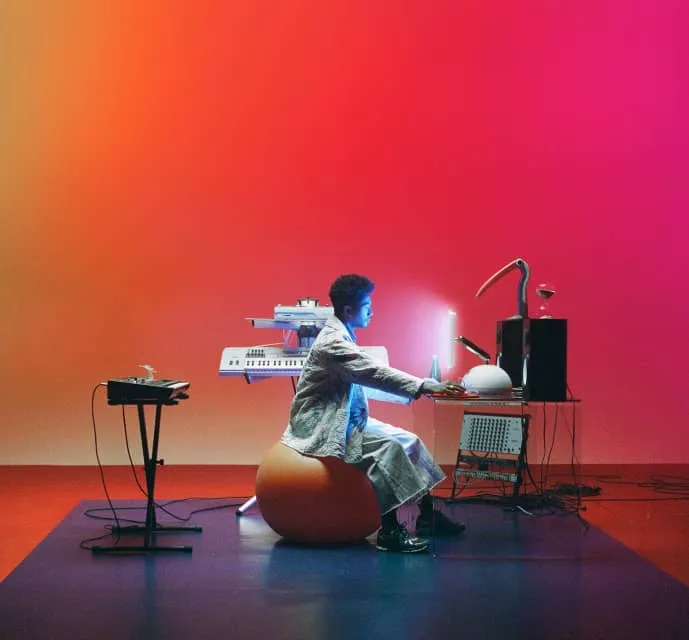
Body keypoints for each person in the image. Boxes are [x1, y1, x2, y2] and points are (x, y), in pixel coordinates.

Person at [281, 274, 471, 553]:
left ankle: (427, 517)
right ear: (349, 310)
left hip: (342, 417)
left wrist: (422, 389)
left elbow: (367, 379)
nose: (372, 311)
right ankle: (389, 531)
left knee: (409, 440)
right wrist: (423, 385)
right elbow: (374, 372)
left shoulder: (343, 335)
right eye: (367, 306)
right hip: (320, 423)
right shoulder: (332, 342)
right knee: (388, 448)